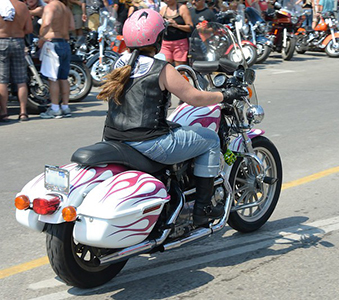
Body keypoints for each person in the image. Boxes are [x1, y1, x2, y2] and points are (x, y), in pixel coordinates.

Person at [97, 9, 247, 226]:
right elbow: (194, 97)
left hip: (114, 138)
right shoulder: (161, 68)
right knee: (211, 140)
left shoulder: (119, 63)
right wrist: (224, 94)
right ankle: (203, 209)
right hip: (149, 142)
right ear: (158, 38)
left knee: (178, 127)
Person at [39, 0, 75, 119]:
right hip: (65, 43)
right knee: (63, 78)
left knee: (52, 78)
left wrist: (41, 37)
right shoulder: (66, 8)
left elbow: (46, 23)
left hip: (53, 44)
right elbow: (72, 27)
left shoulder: (50, 7)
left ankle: (55, 108)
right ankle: (65, 107)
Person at [0, 0, 33, 122]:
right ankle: (23, 112)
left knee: (2, 80)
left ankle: (4, 112)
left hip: (1, 40)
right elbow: (29, 29)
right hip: (18, 41)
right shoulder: (22, 6)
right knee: (20, 80)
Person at [160, 0, 193, 66]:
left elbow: (190, 27)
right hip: (165, 43)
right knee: (165, 66)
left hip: (180, 43)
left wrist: (177, 25)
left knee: (180, 68)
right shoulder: (163, 9)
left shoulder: (182, 8)